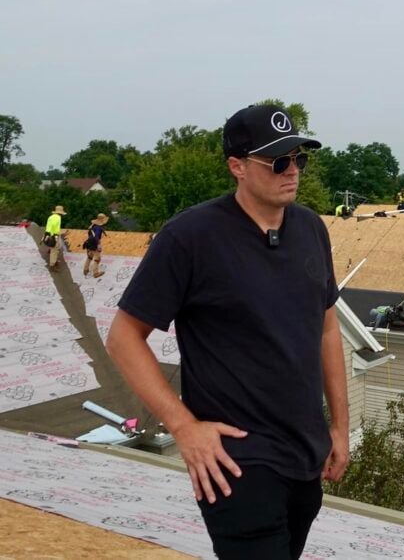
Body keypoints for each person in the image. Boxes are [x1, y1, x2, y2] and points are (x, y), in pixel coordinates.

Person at [106, 104, 350, 560]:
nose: (292, 171)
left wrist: (340, 427)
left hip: (305, 456)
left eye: (299, 158)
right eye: (278, 162)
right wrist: (183, 427)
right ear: (236, 167)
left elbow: (327, 328)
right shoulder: (190, 236)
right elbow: (123, 337)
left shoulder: (312, 229)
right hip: (235, 462)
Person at [82, 212, 109, 278]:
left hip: (88, 243)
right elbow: (96, 236)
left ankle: (85, 270)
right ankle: (96, 273)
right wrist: (98, 244)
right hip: (94, 244)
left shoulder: (92, 226)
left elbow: (90, 235)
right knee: (97, 258)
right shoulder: (98, 228)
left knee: (89, 256)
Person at [43, 205, 66, 270]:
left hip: (49, 234)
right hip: (54, 235)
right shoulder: (58, 218)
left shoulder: (51, 217)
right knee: (54, 250)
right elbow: (55, 228)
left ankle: (54, 261)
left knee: (56, 248)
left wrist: (48, 234)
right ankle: (52, 265)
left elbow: (49, 227)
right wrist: (55, 236)